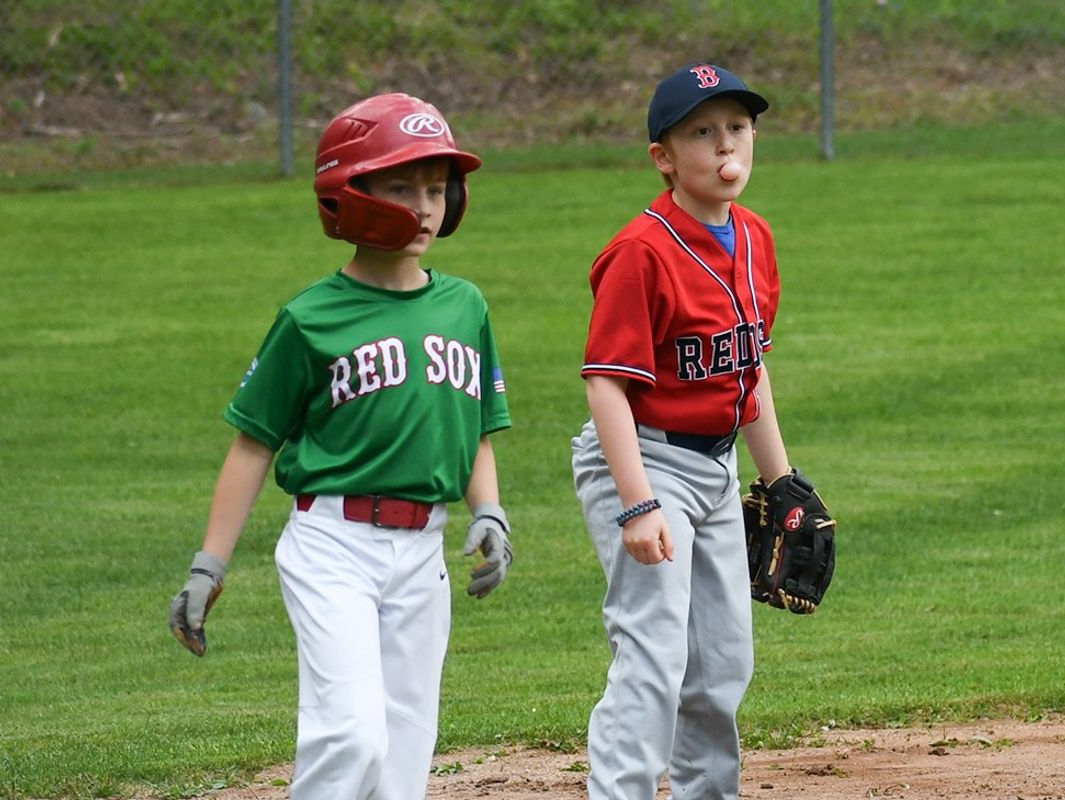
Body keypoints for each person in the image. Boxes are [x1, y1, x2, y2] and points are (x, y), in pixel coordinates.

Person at [167, 92, 514, 800]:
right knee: (352, 735)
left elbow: (476, 428)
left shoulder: (465, 306)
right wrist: (209, 565)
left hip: (425, 550)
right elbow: (253, 447)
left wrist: (492, 512)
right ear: (348, 194)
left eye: (433, 186)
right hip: (334, 546)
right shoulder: (309, 318)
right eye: (399, 185)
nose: (423, 205)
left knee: (403, 761)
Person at [571, 62, 790, 799]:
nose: (725, 145)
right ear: (663, 157)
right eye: (702, 132)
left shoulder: (755, 239)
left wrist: (779, 479)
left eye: (737, 126)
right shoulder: (641, 251)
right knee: (654, 654)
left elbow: (747, 372)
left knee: (723, 662)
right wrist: (637, 503)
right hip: (644, 460)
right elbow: (607, 383)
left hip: (717, 470)